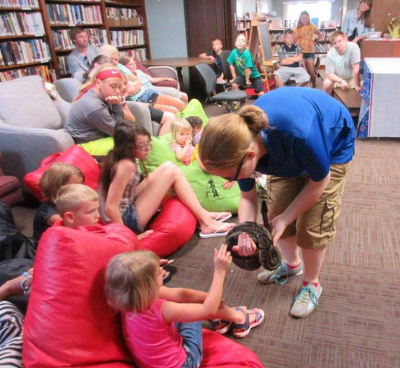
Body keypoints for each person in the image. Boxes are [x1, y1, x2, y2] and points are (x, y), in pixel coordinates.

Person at [198, 87, 355, 318]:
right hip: (285, 154)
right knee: (276, 212)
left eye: (230, 176)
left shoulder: (299, 134)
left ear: (251, 156)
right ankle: (292, 265)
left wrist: (288, 218)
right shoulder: (241, 144)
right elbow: (247, 197)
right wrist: (246, 232)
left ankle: (312, 283)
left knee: (313, 226)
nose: (229, 182)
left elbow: (319, 182)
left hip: (331, 147)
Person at [104, 247, 264, 368]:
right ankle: (240, 318)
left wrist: (209, 298)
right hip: (184, 363)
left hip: (148, 364)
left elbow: (181, 294)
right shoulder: (163, 309)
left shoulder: (131, 299)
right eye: (158, 273)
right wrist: (220, 271)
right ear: (149, 286)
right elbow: (206, 310)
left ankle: (222, 320)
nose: (162, 270)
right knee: (193, 306)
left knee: (189, 302)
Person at [99, 120, 235, 239]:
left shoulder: (123, 158)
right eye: (142, 146)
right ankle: (205, 223)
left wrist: (153, 181)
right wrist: (130, 237)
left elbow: (129, 193)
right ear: (127, 147)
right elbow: (111, 208)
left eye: (148, 143)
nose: (148, 149)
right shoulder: (125, 166)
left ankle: (203, 214)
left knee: (169, 166)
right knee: (172, 172)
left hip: (129, 205)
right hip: (127, 219)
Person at [32, 162, 84, 245]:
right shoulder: (52, 215)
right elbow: (79, 233)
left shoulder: (67, 202)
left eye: (81, 184)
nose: (81, 188)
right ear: (57, 188)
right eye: (75, 185)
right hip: (49, 250)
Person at [119, 55, 189, 105]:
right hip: (147, 90)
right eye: (131, 64)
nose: (134, 65)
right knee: (178, 96)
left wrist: (165, 78)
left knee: (185, 96)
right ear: (124, 66)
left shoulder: (139, 71)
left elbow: (152, 79)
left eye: (134, 63)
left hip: (153, 87)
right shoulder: (127, 78)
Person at [323, 31, 361, 95]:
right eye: (334, 43)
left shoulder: (353, 47)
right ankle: (326, 101)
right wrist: (340, 81)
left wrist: (357, 85)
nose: (337, 45)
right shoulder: (330, 54)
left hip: (352, 78)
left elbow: (356, 68)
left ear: (345, 39)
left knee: (363, 85)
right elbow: (329, 74)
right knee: (327, 84)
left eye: (339, 41)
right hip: (337, 78)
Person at [293, 11, 321, 88]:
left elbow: (319, 34)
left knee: (311, 71)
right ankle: (304, 88)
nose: (304, 19)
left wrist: (315, 41)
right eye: (302, 18)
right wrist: (297, 43)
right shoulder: (297, 28)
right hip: (301, 52)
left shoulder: (312, 26)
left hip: (310, 52)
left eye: (306, 17)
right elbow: (295, 40)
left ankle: (314, 85)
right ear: (300, 19)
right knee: (303, 72)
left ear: (308, 17)